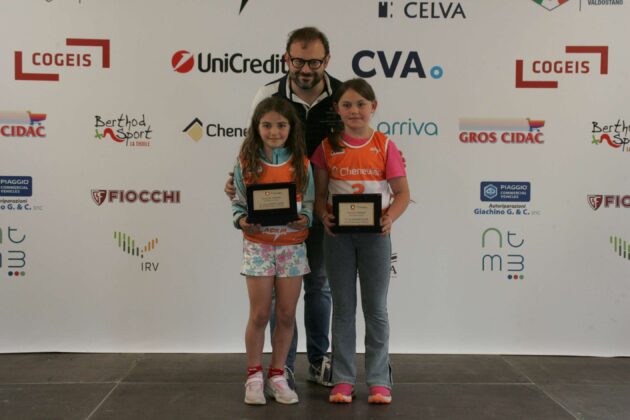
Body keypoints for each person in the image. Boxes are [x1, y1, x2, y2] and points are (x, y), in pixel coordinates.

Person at [226, 27, 341, 388]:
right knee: (278, 297)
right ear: (286, 58)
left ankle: (319, 360)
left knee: (319, 285)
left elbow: (358, 143)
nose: (306, 69)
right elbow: (250, 145)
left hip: (326, 207)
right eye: (298, 61)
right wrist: (235, 180)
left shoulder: (343, 95)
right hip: (273, 215)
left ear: (327, 60)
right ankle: (283, 368)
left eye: (314, 62)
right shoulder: (268, 93)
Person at [312, 78, 410, 404]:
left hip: (375, 239)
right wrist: (323, 215)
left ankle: (379, 381)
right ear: (337, 109)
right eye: (347, 105)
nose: (354, 111)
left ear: (373, 107)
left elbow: (402, 194)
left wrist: (389, 217)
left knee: (376, 309)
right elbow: (320, 195)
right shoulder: (327, 148)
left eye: (361, 104)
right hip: (337, 239)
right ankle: (343, 380)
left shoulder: (385, 145)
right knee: (343, 310)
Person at [232, 97, 314, 405]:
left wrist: (304, 218)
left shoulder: (301, 163)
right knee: (260, 313)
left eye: (281, 125)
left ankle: (277, 375)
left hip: (292, 247)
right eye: (266, 125)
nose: (274, 131)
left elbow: (309, 204)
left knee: (286, 314)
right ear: (257, 127)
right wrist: (242, 220)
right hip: (259, 246)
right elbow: (238, 202)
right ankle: (254, 376)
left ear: (291, 128)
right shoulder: (246, 162)